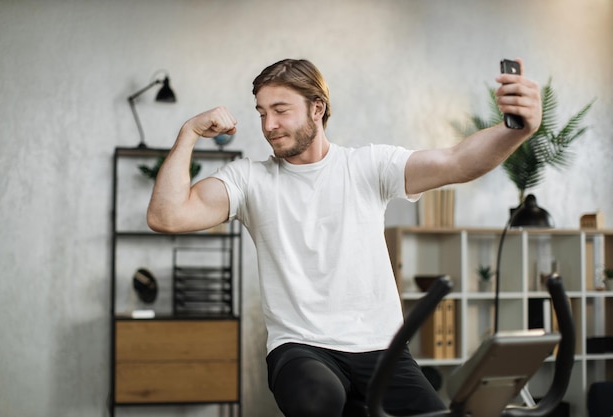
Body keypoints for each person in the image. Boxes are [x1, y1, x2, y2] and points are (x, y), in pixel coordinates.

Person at [147, 58, 541, 417]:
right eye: (262, 113)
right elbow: (166, 216)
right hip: (301, 349)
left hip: (382, 351)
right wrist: (188, 133)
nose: (268, 125)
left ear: (317, 108)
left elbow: (456, 162)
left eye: (280, 111)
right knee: (317, 400)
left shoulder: (367, 166)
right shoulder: (249, 179)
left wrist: (518, 131)